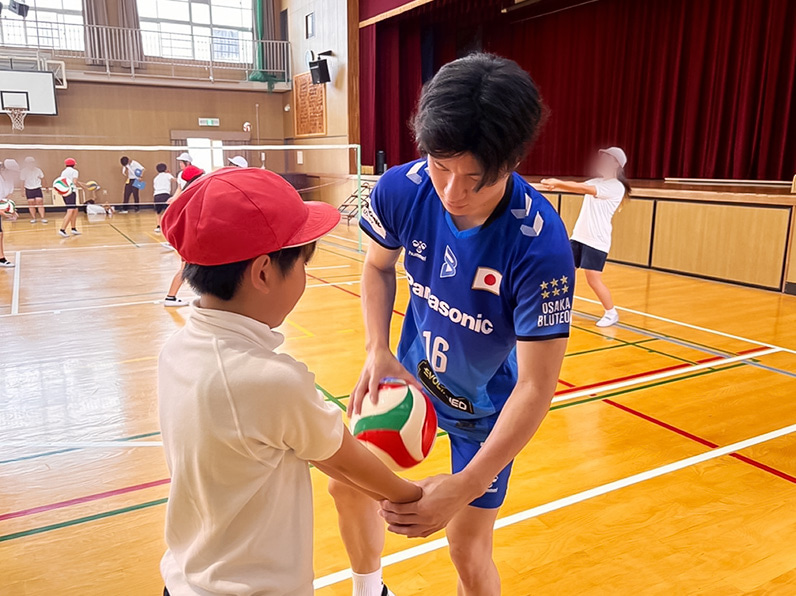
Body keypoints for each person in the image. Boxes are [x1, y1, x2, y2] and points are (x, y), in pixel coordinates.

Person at [333, 53, 574, 596]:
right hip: (411, 382)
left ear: (511, 162)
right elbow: (377, 267)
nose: (451, 191)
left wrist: (464, 484)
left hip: (488, 415)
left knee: (467, 550)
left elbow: (537, 387)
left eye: (474, 178)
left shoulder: (541, 246)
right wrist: (377, 349)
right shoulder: (402, 188)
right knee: (345, 484)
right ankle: (370, 590)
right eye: (441, 167)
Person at [158, 167, 422, 596]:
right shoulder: (268, 381)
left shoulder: (177, 350)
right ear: (263, 273)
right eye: (302, 263)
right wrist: (416, 497)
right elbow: (342, 461)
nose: (304, 277)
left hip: (186, 579)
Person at [540, 147, 631, 327]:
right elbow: (577, 185)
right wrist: (552, 185)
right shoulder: (598, 181)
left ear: (616, 164)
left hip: (596, 241)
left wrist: (557, 183)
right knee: (565, 273)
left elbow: (582, 188)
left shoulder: (615, 186)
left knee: (593, 280)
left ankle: (611, 312)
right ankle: (565, 310)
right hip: (579, 237)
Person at [163, 164, 204, 306]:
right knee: (185, 269)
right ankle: (170, 297)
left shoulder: (188, 194)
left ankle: (172, 297)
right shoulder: (193, 195)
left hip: (188, 237)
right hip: (190, 238)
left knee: (193, 268)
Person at [58, 158, 87, 238]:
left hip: (65, 192)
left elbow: (67, 181)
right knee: (70, 210)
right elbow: (74, 182)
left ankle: (73, 228)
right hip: (71, 192)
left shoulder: (63, 172)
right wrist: (81, 185)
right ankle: (62, 229)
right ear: (74, 164)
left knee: (75, 210)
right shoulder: (75, 171)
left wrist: (81, 184)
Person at [0, 160, 19, 268]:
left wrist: (12, 210)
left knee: (0, 233)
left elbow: (6, 198)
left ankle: (1, 258)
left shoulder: (10, 180)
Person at [21, 156, 47, 224]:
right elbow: (22, 181)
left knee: (40, 202)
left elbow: (43, 178)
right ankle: (33, 218)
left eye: (32, 163)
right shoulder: (23, 171)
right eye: (29, 163)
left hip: (37, 188)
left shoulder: (38, 170)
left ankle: (42, 218)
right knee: (31, 203)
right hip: (28, 189)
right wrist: (22, 191)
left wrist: (46, 187)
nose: (30, 164)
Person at [153, 163, 175, 234]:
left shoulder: (156, 178)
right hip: (165, 195)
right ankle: (169, 225)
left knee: (158, 212)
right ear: (165, 169)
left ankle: (158, 226)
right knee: (168, 211)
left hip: (157, 196)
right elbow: (174, 180)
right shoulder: (167, 175)